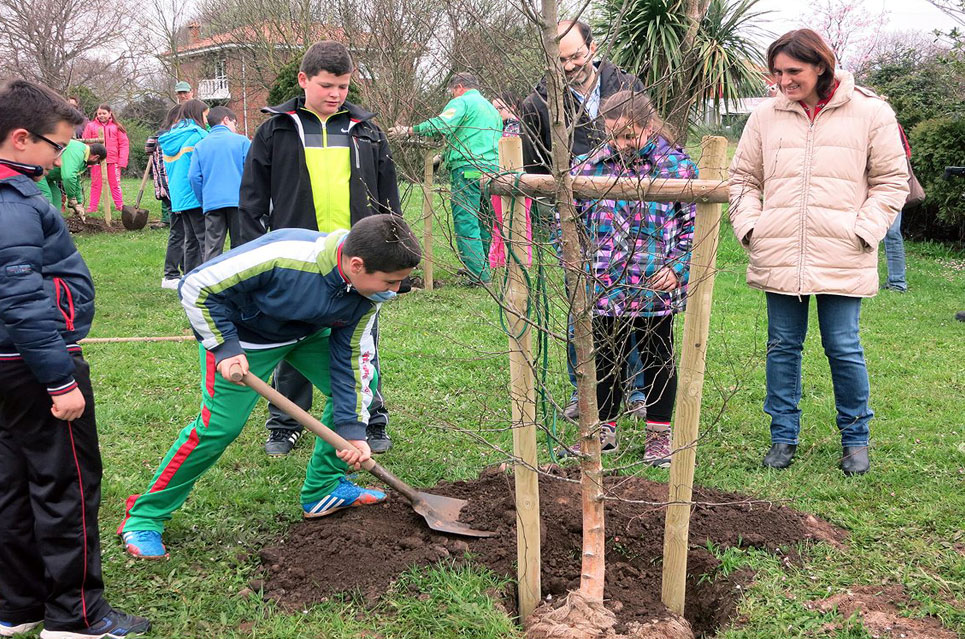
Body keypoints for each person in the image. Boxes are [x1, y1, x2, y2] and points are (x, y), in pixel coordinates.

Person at [118, 215, 421, 560]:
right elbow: (196, 286)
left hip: (310, 334)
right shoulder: (284, 255)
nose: (395, 290)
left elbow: (351, 361)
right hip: (245, 341)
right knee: (218, 428)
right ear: (356, 265)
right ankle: (145, 517)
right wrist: (225, 348)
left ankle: (323, 489)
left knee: (355, 396)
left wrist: (352, 431)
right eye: (391, 281)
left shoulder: (371, 292)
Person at [0, 79, 150, 639]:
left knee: (12, 483)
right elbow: (19, 297)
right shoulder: (11, 203)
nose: (63, 156)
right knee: (66, 486)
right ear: (21, 140)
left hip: (9, 365)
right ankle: (77, 616)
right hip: (35, 364)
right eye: (56, 145)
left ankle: (18, 604)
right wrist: (60, 379)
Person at [729, 29, 908, 476]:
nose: (783, 81)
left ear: (821, 67)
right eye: (776, 72)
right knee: (782, 346)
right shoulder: (765, 117)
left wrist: (864, 230)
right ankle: (782, 437)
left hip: (843, 249)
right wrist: (753, 227)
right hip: (780, 249)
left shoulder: (871, 112)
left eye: (794, 71)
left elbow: (891, 182)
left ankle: (855, 440)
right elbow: (743, 180)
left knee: (843, 346)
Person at [238, 40, 402, 457]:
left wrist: (394, 254)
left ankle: (371, 418)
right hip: (298, 263)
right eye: (327, 85)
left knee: (362, 345)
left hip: (358, 264)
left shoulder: (367, 131)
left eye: (344, 87)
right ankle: (285, 423)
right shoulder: (274, 130)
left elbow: (388, 201)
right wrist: (249, 261)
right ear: (303, 80)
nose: (336, 94)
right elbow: (252, 202)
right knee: (292, 341)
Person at [556, 91, 697, 468]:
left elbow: (693, 225)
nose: (620, 145)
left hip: (656, 283)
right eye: (612, 136)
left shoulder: (676, 167)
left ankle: (658, 437)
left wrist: (678, 268)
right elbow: (565, 223)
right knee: (603, 359)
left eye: (628, 136)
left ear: (649, 128)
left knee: (657, 357)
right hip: (604, 282)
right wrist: (574, 265)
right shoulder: (588, 166)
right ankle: (602, 431)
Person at [521, 20, 649, 421]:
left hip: (635, 216)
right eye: (560, 60)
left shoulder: (628, 85)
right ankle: (587, 390)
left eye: (576, 55)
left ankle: (637, 390)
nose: (570, 65)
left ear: (592, 48)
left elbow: (648, 143)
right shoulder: (538, 103)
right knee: (584, 307)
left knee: (634, 303)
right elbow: (533, 165)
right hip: (579, 222)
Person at [389, 72, 502, 285]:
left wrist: (410, 130)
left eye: (452, 91)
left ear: (458, 87)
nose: (451, 96)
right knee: (483, 220)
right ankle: (479, 266)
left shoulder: (462, 102)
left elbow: (442, 124)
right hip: (491, 171)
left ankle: (478, 276)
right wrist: (445, 155)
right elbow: (472, 138)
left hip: (467, 170)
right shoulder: (490, 108)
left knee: (466, 220)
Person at [188, 106, 251, 261]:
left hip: (212, 202)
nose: (235, 128)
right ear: (226, 120)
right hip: (239, 202)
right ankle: (240, 281)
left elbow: (193, 177)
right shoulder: (242, 141)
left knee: (212, 248)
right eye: (234, 124)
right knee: (240, 247)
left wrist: (203, 200)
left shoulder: (200, 145)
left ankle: (210, 282)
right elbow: (252, 173)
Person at [159, 99, 208, 274]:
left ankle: (190, 276)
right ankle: (207, 277)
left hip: (180, 196)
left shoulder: (172, 136)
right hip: (195, 194)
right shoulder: (197, 136)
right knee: (205, 239)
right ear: (197, 114)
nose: (207, 120)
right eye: (205, 115)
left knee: (191, 240)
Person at [488, 92, 533, 269]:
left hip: (517, 179)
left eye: (500, 108)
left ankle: (517, 259)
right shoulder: (497, 128)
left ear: (512, 108)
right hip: (501, 179)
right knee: (500, 221)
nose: (496, 113)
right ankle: (499, 259)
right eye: (493, 109)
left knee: (519, 221)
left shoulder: (516, 128)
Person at [150, 106, 186, 289]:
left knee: (184, 231)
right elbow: (166, 172)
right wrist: (174, 195)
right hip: (173, 193)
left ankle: (184, 269)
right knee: (178, 232)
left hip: (169, 192)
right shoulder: (168, 139)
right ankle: (171, 275)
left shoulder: (160, 137)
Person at [882, 124, 915, 293]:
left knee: (892, 232)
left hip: (889, 185)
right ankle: (896, 281)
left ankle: (897, 282)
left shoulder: (890, 125)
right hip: (889, 183)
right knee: (891, 233)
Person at [36, 141, 106, 214]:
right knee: (47, 196)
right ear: (96, 157)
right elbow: (68, 177)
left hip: (47, 177)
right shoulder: (77, 152)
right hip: (37, 170)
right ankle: (43, 223)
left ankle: (55, 221)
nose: (95, 163)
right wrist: (71, 198)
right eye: (97, 162)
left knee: (56, 196)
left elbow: (76, 179)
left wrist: (79, 203)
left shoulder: (83, 156)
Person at [82, 104, 128, 214]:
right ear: (96, 114)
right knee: (95, 184)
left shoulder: (117, 127)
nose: (101, 115)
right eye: (99, 113)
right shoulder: (90, 126)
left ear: (109, 113)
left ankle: (119, 205)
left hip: (113, 160)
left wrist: (122, 161)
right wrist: (88, 160)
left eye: (104, 113)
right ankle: (92, 207)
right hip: (96, 160)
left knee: (115, 184)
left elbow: (124, 144)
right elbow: (85, 143)